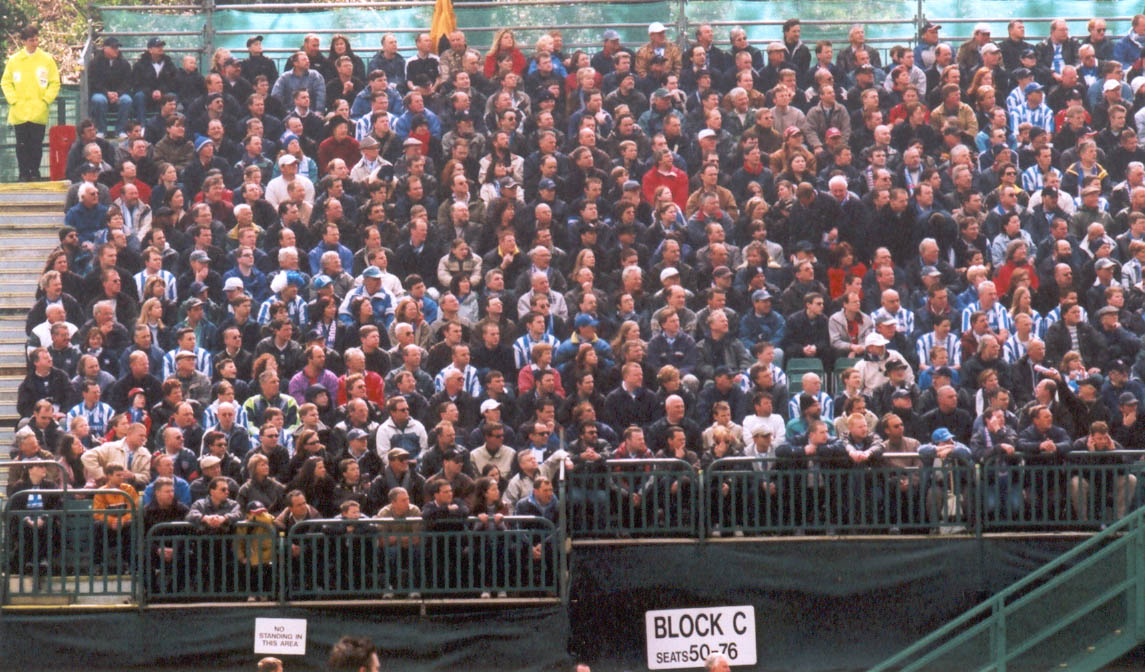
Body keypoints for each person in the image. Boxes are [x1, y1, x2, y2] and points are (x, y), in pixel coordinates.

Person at [1, 26, 60, 181]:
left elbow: (55, 82)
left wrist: (46, 100)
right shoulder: (14, 60)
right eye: (31, 40)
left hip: (38, 110)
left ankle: (34, 172)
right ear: (23, 42)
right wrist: (13, 99)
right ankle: (23, 173)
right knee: (21, 144)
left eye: (36, 39)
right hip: (19, 111)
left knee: (36, 144)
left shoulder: (46, 59)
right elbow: (5, 82)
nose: (35, 43)